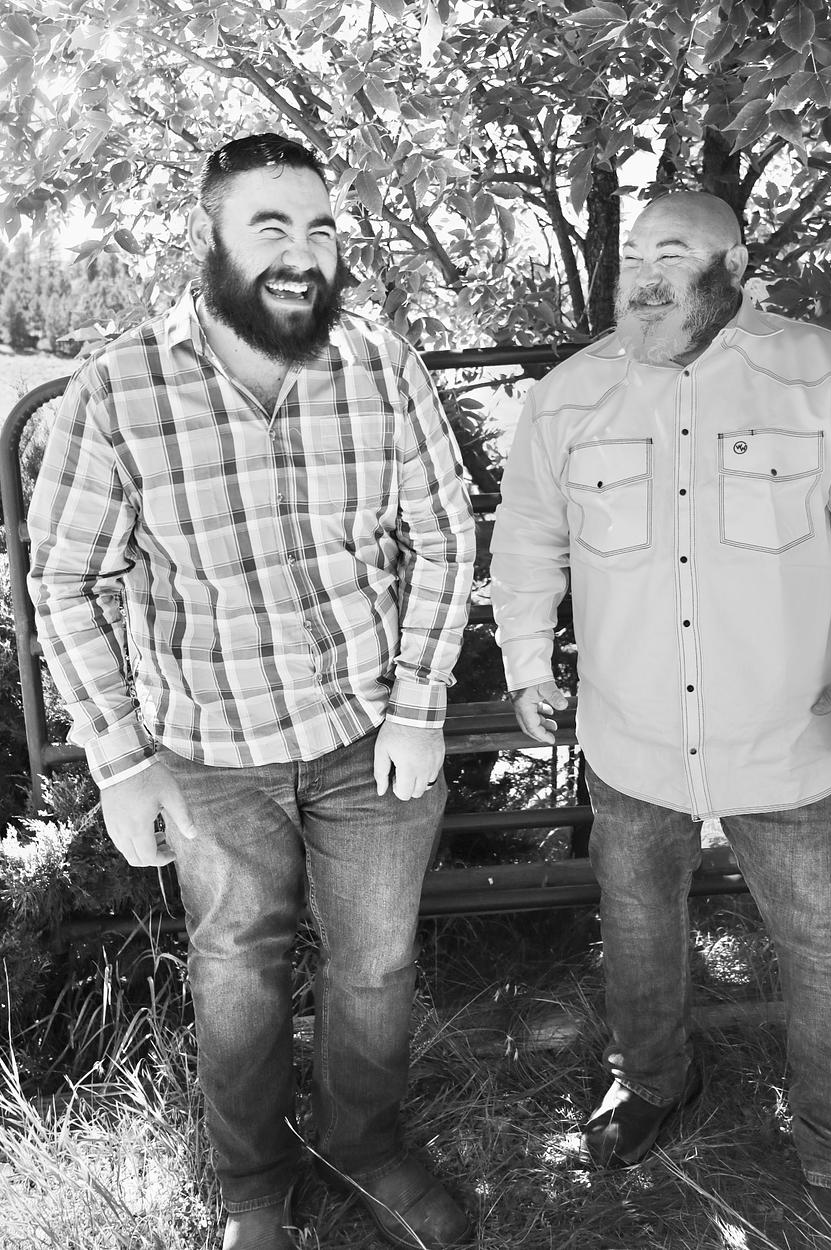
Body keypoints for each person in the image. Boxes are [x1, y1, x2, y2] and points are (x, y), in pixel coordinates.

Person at [28, 134, 476, 1250]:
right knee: (236, 970)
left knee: (374, 964)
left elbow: (444, 535)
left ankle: (366, 1149)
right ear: (211, 237)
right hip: (209, 751)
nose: (302, 254)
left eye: (320, 228)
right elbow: (65, 578)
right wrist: (120, 761)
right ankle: (254, 1187)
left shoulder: (379, 364)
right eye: (270, 226)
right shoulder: (120, 387)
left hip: (371, 736)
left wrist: (420, 702)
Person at [490, 191, 831, 1246]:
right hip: (631, 733)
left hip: (790, 731)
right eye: (636, 254)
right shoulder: (569, 395)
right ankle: (650, 1081)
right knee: (638, 921)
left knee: (824, 940)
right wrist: (524, 661)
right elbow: (527, 535)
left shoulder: (828, 376)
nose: (644, 273)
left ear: (733, 265)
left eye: (674, 253)